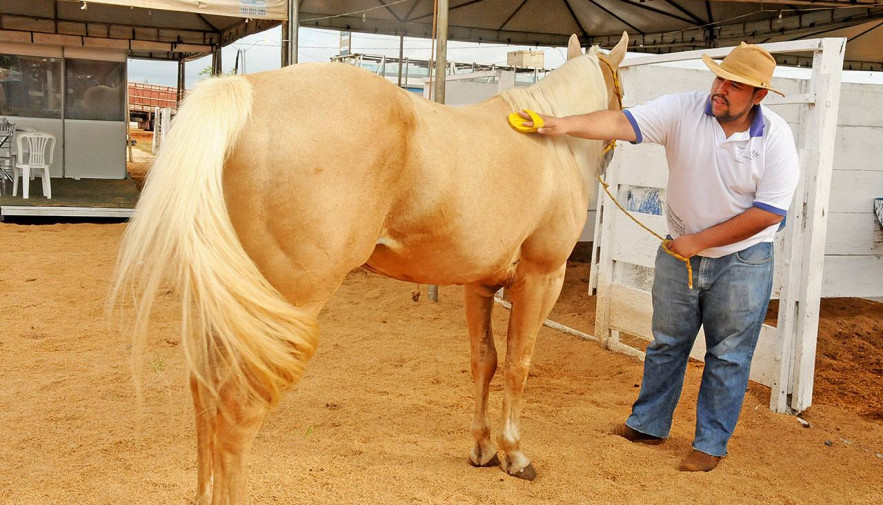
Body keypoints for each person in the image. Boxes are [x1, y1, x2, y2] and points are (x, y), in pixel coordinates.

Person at [521, 42, 799, 472]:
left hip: (743, 260)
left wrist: (698, 242)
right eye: (720, 77)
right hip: (680, 251)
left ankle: (710, 443)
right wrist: (559, 124)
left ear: (758, 96)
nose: (721, 88)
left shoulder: (776, 137)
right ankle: (649, 423)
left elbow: (769, 213)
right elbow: (620, 120)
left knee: (728, 354)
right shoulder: (685, 109)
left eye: (735, 84)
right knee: (668, 343)